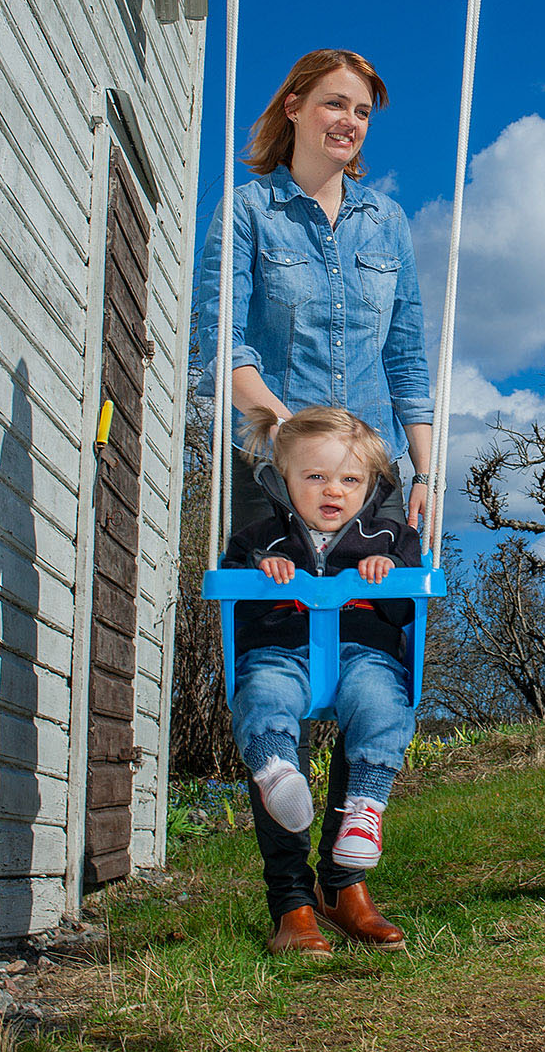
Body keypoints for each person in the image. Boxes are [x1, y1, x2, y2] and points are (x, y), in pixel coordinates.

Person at [192, 48, 435, 955]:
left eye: (363, 111)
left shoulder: (388, 223)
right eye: (335, 103)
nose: (349, 122)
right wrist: (285, 428)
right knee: (283, 664)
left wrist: (422, 469)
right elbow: (218, 344)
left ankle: (348, 883)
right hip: (279, 468)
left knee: (370, 656)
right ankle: (292, 895)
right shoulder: (250, 209)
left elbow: (407, 351)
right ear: (293, 106)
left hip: (368, 476)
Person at [221, 405, 420, 956]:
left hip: (364, 657)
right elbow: (232, 605)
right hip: (283, 653)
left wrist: (390, 581)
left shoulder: (392, 538)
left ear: (371, 484)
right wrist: (263, 577)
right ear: (283, 479)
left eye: (350, 479)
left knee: (383, 704)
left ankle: (363, 814)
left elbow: (409, 613)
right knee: (263, 693)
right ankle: (275, 768)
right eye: (315, 477)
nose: (333, 490)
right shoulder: (260, 539)